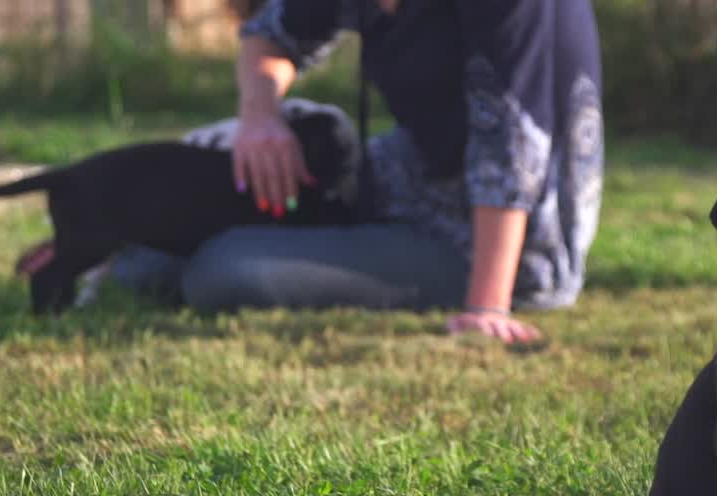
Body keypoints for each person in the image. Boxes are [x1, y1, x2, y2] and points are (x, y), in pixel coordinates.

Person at [109, 0, 604, 344]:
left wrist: (487, 307)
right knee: (149, 257)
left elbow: (512, 146)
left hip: (505, 243)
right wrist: (260, 117)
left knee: (220, 272)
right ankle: (91, 246)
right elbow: (269, 38)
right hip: (405, 180)